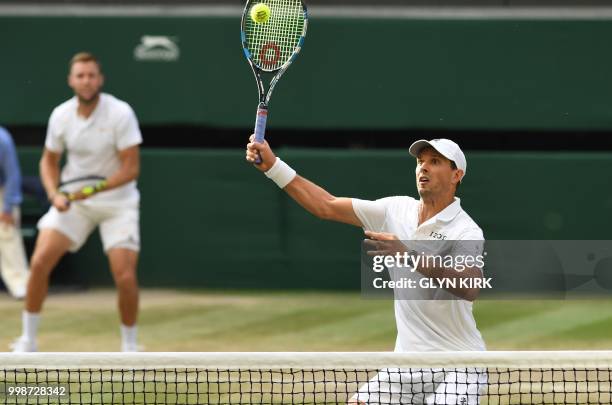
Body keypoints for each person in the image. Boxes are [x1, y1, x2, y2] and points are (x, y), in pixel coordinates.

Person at [246, 137, 487, 404]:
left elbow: (470, 286)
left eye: (435, 162)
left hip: (460, 364)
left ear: (456, 174)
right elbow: (326, 205)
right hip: (408, 363)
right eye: (420, 162)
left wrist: (408, 255)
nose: (423, 168)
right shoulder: (394, 210)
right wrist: (272, 166)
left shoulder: (466, 230)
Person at [11, 52, 143, 352]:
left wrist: (93, 190)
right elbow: (49, 161)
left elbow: (131, 169)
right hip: (74, 204)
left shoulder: (121, 113)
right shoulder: (60, 115)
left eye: (91, 75)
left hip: (118, 204)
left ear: (100, 79)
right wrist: (53, 193)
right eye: (80, 75)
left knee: (124, 275)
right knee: (40, 261)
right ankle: (28, 340)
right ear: (71, 80)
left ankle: (130, 346)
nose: (86, 81)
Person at [0, 126, 30, 299]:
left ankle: (20, 284)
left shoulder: (2, 139)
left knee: (7, 235)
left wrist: (8, 207)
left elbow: (13, 174)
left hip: (2, 192)